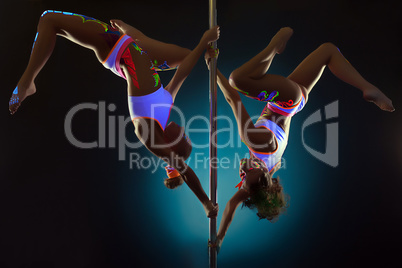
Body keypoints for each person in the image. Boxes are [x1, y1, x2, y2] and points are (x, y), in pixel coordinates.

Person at [9, 10, 220, 217]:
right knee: (184, 56)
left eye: (184, 138)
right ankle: (28, 81)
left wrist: (206, 203)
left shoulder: (149, 136)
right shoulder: (164, 110)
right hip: (131, 46)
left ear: (172, 145)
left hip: (115, 49)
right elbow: (183, 73)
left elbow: (185, 171)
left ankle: (28, 82)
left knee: (49, 19)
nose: (184, 130)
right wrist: (204, 47)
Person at [205, 26, 394, 251]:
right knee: (237, 80)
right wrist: (211, 68)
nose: (242, 172)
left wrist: (220, 238)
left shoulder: (266, 171)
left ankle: (367, 88)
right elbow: (232, 99)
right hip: (286, 101)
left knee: (328, 51)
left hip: (295, 101)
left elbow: (231, 205)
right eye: (247, 175)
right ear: (262, 175)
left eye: (242, 177)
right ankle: (274, 47)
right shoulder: (258, 143)